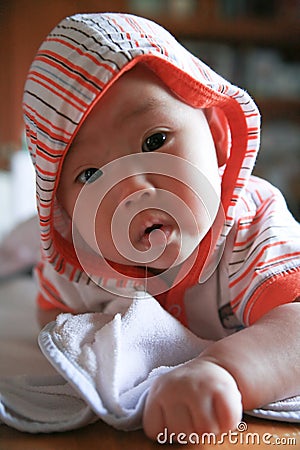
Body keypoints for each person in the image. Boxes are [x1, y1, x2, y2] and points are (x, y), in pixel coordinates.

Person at [23, 12, 300, 439]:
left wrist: (224, 371)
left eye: (154, 141)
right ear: (64, 213)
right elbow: (53, 312)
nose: (130, 189)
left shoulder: (252, 227)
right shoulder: (81, 265)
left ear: (217, 132)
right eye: (90, 174)